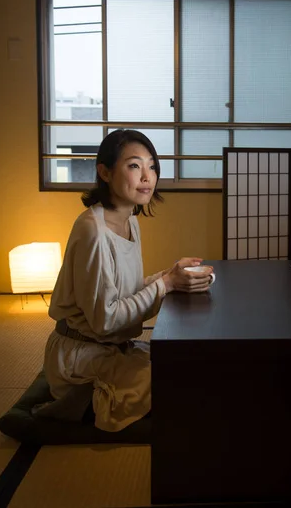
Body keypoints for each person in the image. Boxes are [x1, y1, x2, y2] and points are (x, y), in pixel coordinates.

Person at [43, 129, 213, 432]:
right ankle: (81, 397)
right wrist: (166, 285)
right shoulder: (92, 231)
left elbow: (127, 292)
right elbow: (105, 320)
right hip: (80, 353)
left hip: (115, 346)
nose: (147, 176)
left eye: (152, 166)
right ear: (105, 172)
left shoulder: (130, 220)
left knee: (186, 365)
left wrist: (170, 275)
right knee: (171, 385)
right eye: (134, 166)